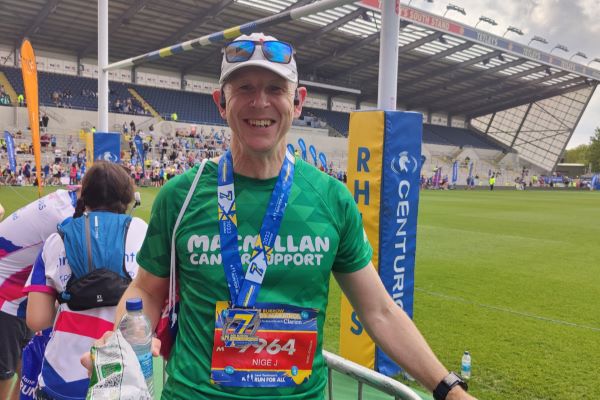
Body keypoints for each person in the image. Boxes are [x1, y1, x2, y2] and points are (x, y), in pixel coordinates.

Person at [82, 33, 475, 400]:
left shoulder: (330, 198)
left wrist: (449, 389)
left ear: (298, 101)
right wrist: (116, 344)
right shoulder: (181, 196)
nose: (260, 102)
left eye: (275, 89)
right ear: (221, 102)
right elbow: (148, 290)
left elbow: (380, 311)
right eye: (245, 89)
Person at [25, 161, 147, 400]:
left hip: (62, 377)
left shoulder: (56, 239)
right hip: (125, 375)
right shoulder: (141, 230)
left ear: (84, 195)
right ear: (127, 196)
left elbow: (36, 320)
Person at [0, 189, 78, 400]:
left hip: (22, 298)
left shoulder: (65, 198)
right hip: (6, 299)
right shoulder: (65, 220)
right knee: (5, 376)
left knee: (26, 372)